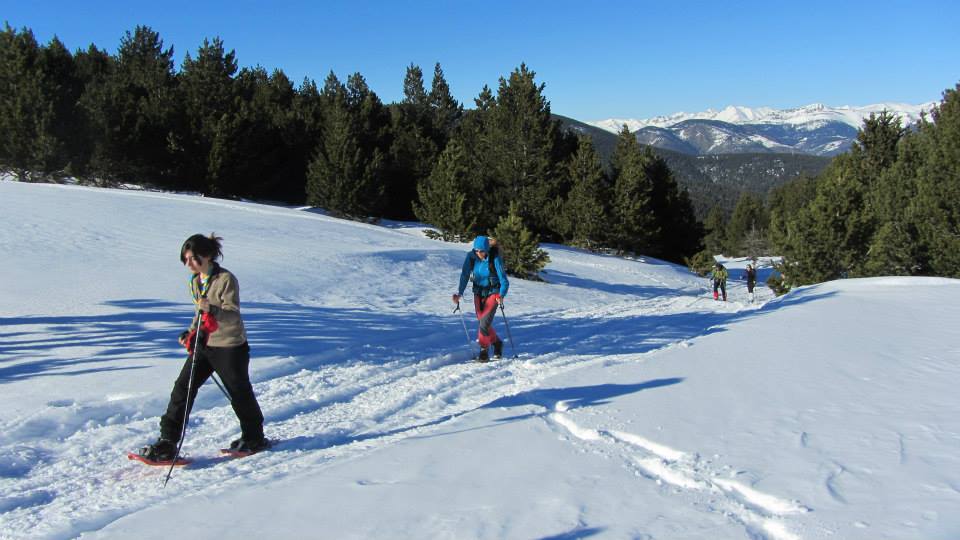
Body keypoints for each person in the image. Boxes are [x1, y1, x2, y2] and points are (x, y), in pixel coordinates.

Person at [139, 233, 268, 461]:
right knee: (183, 388)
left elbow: (232, 316)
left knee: (239, 392)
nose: (188, 264)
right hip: (205, 344)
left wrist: (212, 310)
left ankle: (254, 435)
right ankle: (168, 441)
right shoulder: (195, 280)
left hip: (230, 346)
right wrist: (190, 333)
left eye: (193, 259)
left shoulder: (226, 279)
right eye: (185, 259)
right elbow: (199, 312)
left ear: (207, 256)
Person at [452, 235, 509, 362]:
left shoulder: (495, 259)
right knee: (483, 322)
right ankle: (497, 343)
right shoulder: (471, 257)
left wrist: (501, 294)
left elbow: (504, 280)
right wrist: (459, 292)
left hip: (493, 292)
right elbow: (465, 274)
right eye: (476, 250)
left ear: (487, 249)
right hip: (478, 292)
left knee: (484, 322)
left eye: (481, 251)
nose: (479, 253)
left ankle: (484, 350)